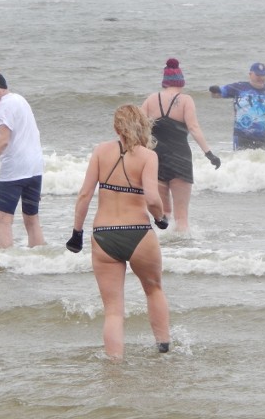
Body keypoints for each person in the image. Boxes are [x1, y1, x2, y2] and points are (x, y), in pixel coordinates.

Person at [65, 104, 171, 360]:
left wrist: (76, 233)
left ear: (116, 128)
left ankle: (114, 364)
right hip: (138, 233)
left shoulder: (100, 152)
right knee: (154, 289)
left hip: (103, 235)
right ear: (143, 126)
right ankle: (164, 349)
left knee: (113, 309)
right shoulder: (147, 156)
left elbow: (84, 195)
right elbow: (152, 197)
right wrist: (160, 218)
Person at [141, 58, 221, 232]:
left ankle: (165, 251)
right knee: (182, 217)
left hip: (156, 160)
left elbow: (138, 129)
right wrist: (209, 154)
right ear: (180, 81)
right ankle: (185, 250)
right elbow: (193, 128)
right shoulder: (185, 100)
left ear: (165, 81)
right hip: (181, 159)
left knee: (163, 214)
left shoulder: (150, 100)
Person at [0, 64, 46, 249]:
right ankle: (40, 261)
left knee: (3, 220)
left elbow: (3, 140)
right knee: (32, 219)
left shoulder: (5, 106)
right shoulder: (20, 100)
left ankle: (4, 264)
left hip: (14, 171)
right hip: (35, 169)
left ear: (1, 86)